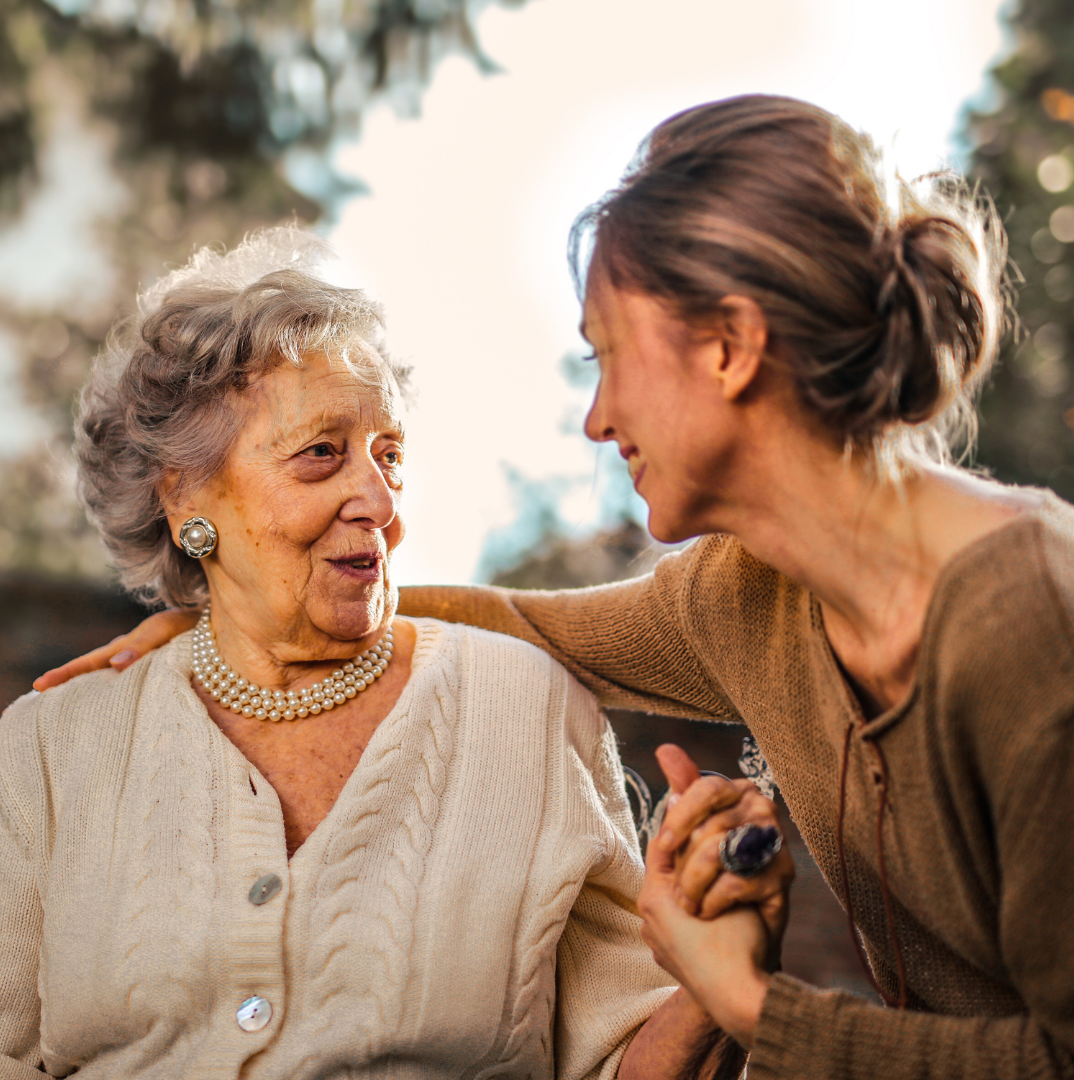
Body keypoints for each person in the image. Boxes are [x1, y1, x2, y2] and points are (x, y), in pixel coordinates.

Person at [44, 93, 1074, 1078]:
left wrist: (755, 1008)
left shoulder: (1032, 624)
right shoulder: (744, 597)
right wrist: (226, 610)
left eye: (609, 355)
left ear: (728, 347)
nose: (595, 417)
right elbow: (522, 621)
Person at [0, 227, 747, 1079]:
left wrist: (710, 987)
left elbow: (621, 1060)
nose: (380, 497)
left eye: (389, 455)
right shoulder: (49, 750)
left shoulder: (525, 708)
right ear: (185, 496)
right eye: (322, 454)